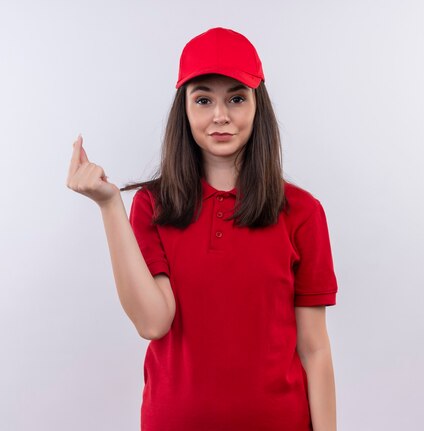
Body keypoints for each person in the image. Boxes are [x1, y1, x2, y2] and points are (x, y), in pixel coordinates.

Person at [67, 27, 338, 431]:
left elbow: (314, 349)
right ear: (186, 110)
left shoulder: (301, 212)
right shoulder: (153, 207)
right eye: (204, 99)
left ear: (257, 106)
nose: (220, 116)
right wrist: (110, 207)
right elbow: (153, 323)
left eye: (236, 98)